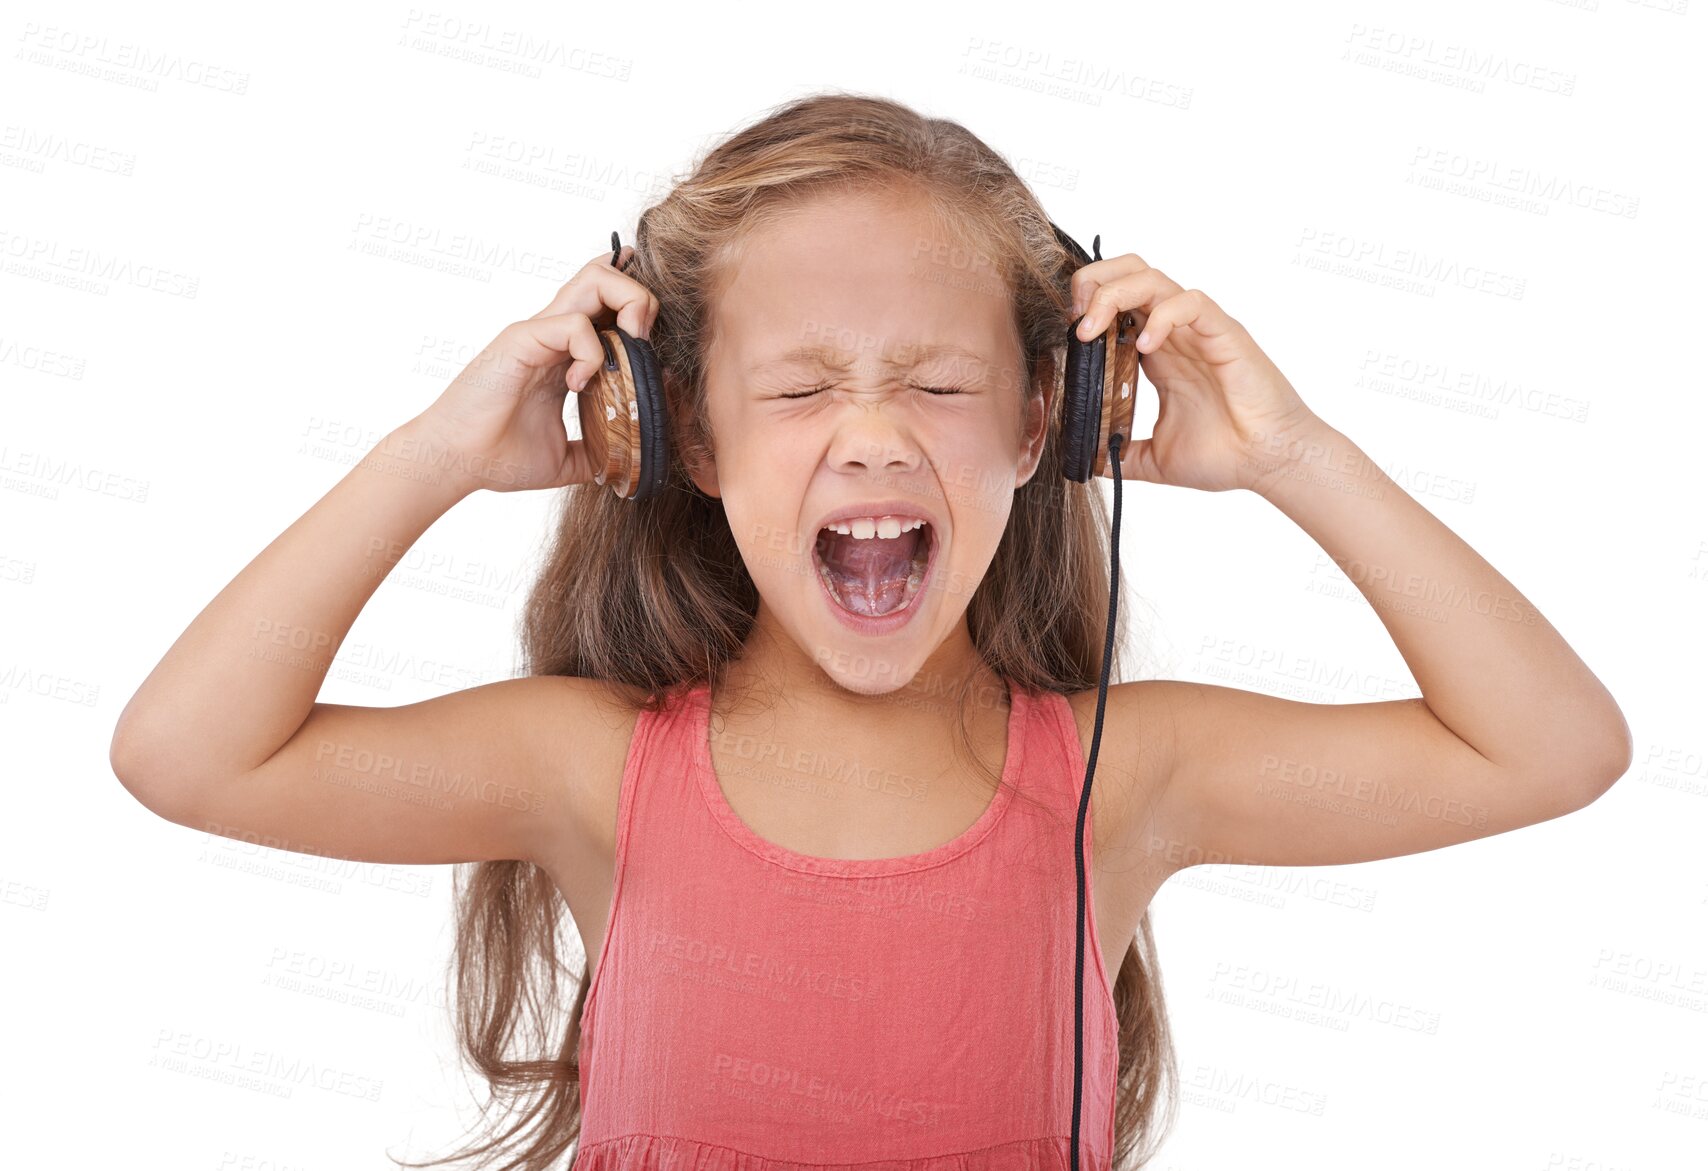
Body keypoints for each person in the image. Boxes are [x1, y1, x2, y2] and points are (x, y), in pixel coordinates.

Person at [109, 91, 1632, 1171]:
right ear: (676, 437)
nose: (872, 435)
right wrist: (439, 451)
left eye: (938, 383)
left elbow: (1551, 747)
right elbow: (187, 756)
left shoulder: (1126, 774)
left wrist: (1290, 454)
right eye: (796, 387)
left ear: (1056, 418)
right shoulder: (592, 771)